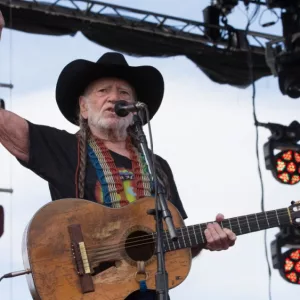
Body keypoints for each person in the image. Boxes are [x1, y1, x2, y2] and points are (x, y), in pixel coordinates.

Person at [0, 12, 236, 300]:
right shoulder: (64, 148)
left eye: (124, 92)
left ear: (135, 107)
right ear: (83, 108)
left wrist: (208, 240)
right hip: (87, 290)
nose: (115, 97)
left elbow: (174, 242)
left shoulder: (156, 165)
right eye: (103, 91)